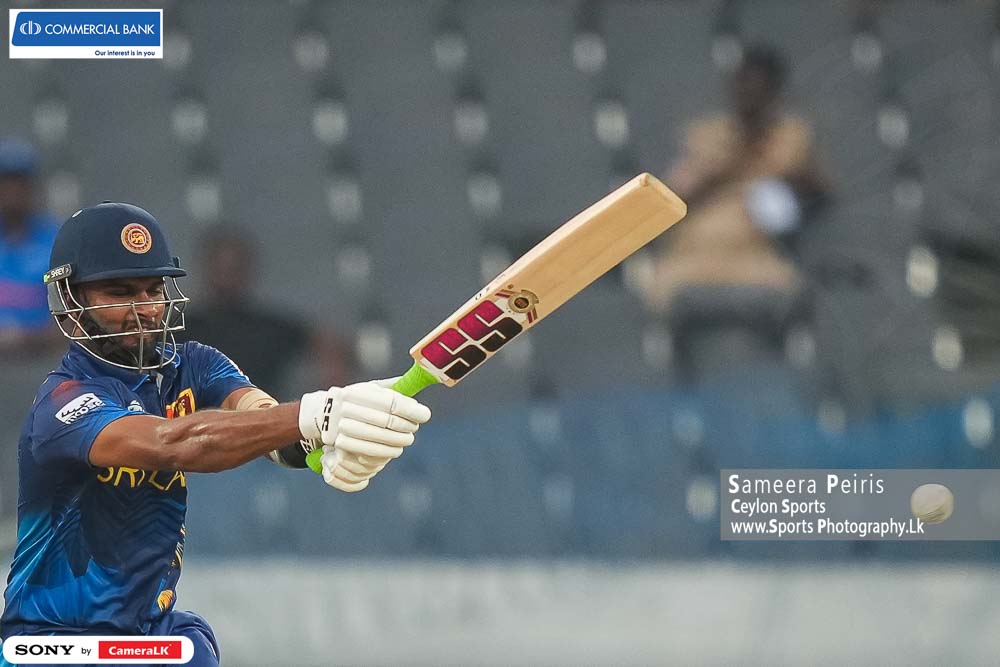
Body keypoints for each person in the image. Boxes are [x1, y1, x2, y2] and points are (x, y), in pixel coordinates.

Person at [0, 202, 432, 666]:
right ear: (70, 303)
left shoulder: (196, 363)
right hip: (54, 644)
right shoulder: (64, 403)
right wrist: (315, 414)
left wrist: (327, 442)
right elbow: (175, 444)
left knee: (190, 640)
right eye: (119, 292)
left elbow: (265, 420)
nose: (144, 309)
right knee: (187, 651)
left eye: (153, 289)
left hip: (146, 632)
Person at [639, 44, 829, 314]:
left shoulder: (792, 137)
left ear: (774, 93)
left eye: (759, 90)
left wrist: (778, 171)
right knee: (665, 291)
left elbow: (820, 194)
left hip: (756, 257)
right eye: (744, 87)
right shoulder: (706, 135)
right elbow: (669, 199)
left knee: (789, 293)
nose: (749, 97)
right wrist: (718, 171)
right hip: (692, 257)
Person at [181, 223, 353, 398]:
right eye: (221, 268)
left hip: (261, 410)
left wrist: (330, 380)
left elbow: (327, 344)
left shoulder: (269, 329)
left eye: (234, 268)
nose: (226, 277)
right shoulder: (184, 328)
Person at [0, 138, 62, 355]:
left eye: (20, 183)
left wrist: (24, 339)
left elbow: (73, 321)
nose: (12, 192)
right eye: (5, 183)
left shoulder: (58, 241)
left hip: (41, 361)